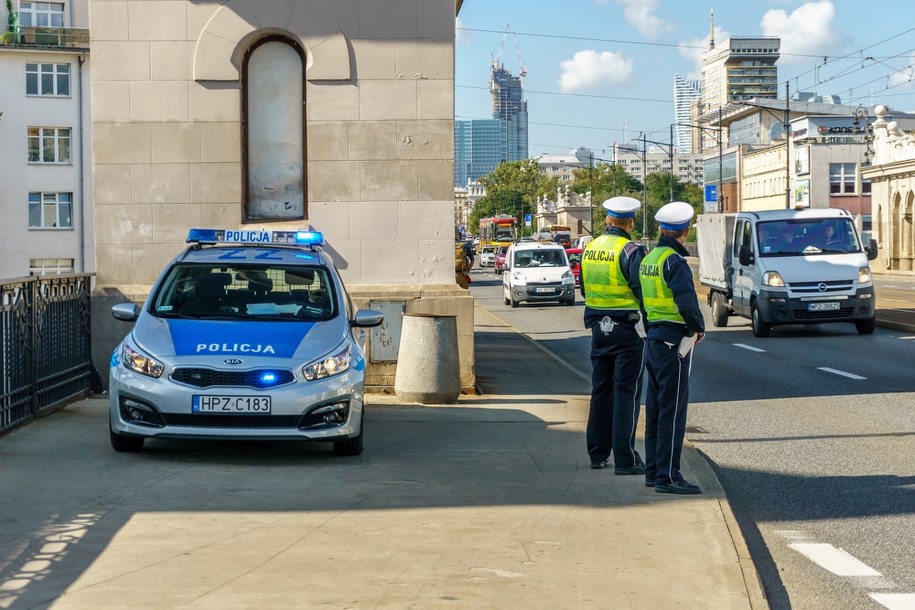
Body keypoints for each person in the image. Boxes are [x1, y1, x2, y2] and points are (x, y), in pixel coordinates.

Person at [638, 201, 706, 494]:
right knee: (673, 411)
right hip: (673, 342)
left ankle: (654, 471)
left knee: (655, 409)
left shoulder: (649, 258)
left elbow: (643, 301)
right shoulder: (674, 262)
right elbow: (686, 301)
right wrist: (698, 327)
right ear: (685, 230)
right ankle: (668, 476)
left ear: (660, 228)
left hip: (654, 338)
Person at [581, 196, 648, 474]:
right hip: (626, 329)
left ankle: (597, 454)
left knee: (601, 391)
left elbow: (585, 290)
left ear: (608, 220)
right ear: (630, 222)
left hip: (598, 328)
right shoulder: (631, 250)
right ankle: (625, 459)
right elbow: (640, 290)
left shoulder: (590, 248)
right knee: (626, 393)